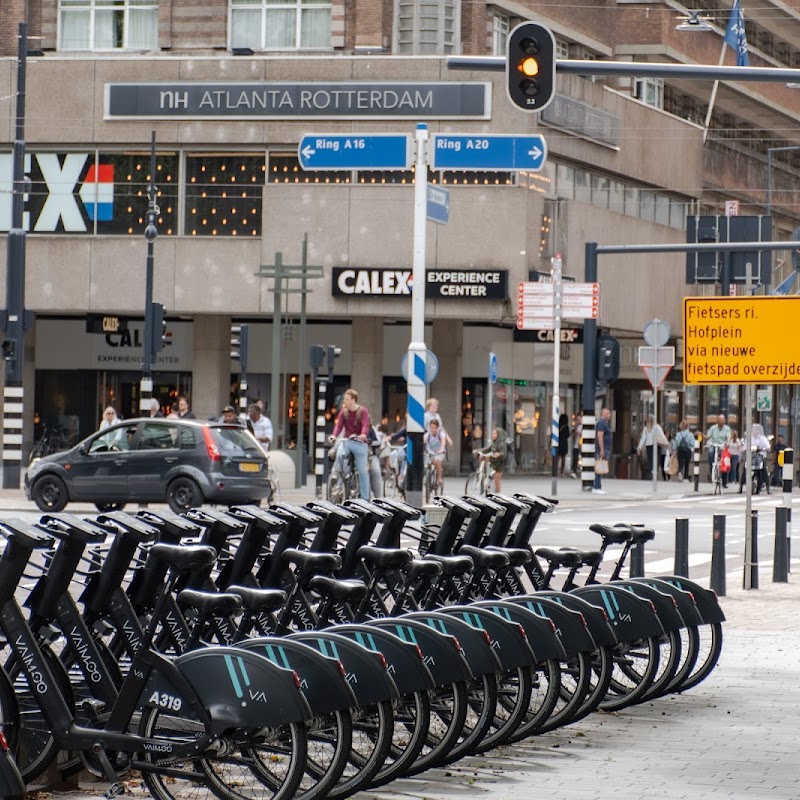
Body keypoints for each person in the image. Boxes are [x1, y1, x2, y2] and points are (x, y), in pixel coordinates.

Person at [329, 388, 371, 501]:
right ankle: (337, 484)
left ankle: (365, 499)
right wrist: (334, 435)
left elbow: (365, 425)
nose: (345, 401)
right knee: (339, 456)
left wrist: (363, 435)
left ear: (353, 400)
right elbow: (339, 426)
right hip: (347, 441)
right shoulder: (344, 412)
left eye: (347, 399)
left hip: (359, 443)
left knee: (362, 471)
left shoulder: (363, 411)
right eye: (345, 399)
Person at [474, 426, 508, 493]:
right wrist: (478, 451)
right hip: (495, 460)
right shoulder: (494, 443)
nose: (493, 435)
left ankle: (498, 494)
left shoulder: (502, 444)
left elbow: (504, 454)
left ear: (499, 435)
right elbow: (487, 449)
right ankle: (482, 473)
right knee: (483, 457)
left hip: (500, 463)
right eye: (492, 434)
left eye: (494, 434)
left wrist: (499, 454)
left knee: (497, 479)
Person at [740, 423, 770, 494]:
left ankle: (768, 487)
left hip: (760, 456)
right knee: (745, 469)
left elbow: (768, 446)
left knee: (764, 471)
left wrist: (765, 448)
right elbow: (744, 447)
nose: (755, 431)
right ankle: (740, 486)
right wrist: (743, 449)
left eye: (757, 430)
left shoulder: (763, 438)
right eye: (753, 430)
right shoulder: (749, 438)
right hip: (751, 456)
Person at [636, 414, 667, 481]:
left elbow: (643, 439)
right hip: (656, 446)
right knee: (657, 461)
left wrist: (639, 448)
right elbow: (662, 436)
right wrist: (666, 443)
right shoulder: (657, 427)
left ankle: (652, 473)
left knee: (651, 461)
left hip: (649, 446)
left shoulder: (646, 428)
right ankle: (655, 473)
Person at [706, 414, 731, 488]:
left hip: (722, 446)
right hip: (714, 445)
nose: (721, 422)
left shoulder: (727, 428)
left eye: (723, 421)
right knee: (710, 453)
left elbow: (728, 437)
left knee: (724, 462)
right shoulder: (713, 428)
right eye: (720, 420)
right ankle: (712, 472)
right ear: (717, 421)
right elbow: (708, 436)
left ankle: (724, 481)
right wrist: (702, 435)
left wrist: (727, 443)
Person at [593, 407, 613, 495]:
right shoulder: (601, 423)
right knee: (600, 467)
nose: (610, 415)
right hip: (602, 448)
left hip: (605, 448)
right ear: (604, 414)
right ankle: (596, 486)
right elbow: (600, 436)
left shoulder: (604, 423)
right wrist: (602, 449)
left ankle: (598, 485)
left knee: (601, 467)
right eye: (608, 413)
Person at [424, 419, 448, 488]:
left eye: (435, 428)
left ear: (437, 428)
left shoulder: (441, 434)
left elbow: (443, 443)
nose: (433, 430)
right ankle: (427, 477)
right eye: (432, 428)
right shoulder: (427, 435)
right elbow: (422, 442)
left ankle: (439, 478)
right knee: (426, 463)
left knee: (436, 460)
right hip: (430, 453)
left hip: (439, 453)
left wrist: (441, 449)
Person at [570, 413, 582, 478]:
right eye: (577, 419)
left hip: (581, 445)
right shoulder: (577, 426)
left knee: (582, 458)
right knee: (575, 458)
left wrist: (577, 433)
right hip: (576, 444)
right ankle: (574, 472)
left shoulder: (584, 426)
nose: (578, 421)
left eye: (579, 419)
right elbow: (574, 435)